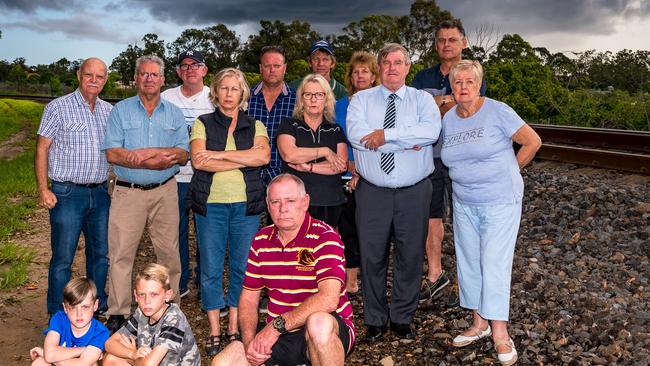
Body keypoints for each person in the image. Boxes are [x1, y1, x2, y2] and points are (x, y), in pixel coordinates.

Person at [441, 60, 541, 365]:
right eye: (458, 83)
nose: (463, 88)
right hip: (464, 202)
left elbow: (532, 141)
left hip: (500, 200)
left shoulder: (498, 110)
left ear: (479, 84)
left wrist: (510, 170)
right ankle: (479, 323)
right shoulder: (449, 119)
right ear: (451, 87)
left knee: (493, 262)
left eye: (470, 82)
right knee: (470, 260)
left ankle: (500, 332)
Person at [346, 43, 441, 341]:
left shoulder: (422, 100)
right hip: (373, 191)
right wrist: (406, 141)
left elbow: (430, 134)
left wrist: (386, 135)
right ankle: (374, 319)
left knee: (410, 255)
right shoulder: (361, 100)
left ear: (407, 67)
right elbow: (357, 137)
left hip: (414, 190)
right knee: (372, 256)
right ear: (379, 67)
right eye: (386, 62)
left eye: (398, 62)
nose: (392, 68)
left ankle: (402, 317)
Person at [211, 174, 355, 366]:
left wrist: (274, 329)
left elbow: (328, 299)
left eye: (290, 201)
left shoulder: (324, 237)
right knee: (223, 362)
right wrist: (249, 344)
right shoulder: (261, 241)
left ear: (305, 202)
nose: (283, 208)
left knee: (318, 324)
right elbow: (248, 298)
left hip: (326, 328)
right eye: (275, 202)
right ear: (268, 205)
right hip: (282, 331)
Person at [186, 67, 270, 356]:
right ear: (215, 92)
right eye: (224, 88)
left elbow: (263, 157)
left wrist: (219, 155)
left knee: (241, 267)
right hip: (211, 204)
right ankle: (214, 330)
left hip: (246, 205)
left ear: (242, 93)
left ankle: (234, 326)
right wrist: (243, 160)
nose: (229, 93)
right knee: (209, 268)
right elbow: (199, 161)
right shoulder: (202, 122)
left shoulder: (255, 124)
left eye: (235, 88)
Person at [103, 55, 189, 333]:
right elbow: (113, 153)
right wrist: (153, 158)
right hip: (128, 194)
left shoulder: (174, 113)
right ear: (136, 78)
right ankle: (118, 310)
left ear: (164, 79)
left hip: (165, 192)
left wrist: (144, 155)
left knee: (169, 253)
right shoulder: (120, 111)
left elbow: (182, 153)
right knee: (120, 254)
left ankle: (170, 306)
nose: (149, 79)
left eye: (154, 75)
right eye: (144, 74)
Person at [411, 19, 487, 303]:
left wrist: (438, 103)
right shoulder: (422, 78)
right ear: (435, 44)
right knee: (431, 218)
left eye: (452, 40)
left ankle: (474, 280)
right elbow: (419, 112)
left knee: (469, 218)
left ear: (463, 42)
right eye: (441, 40)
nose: (446, 45)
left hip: (465, 157)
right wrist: (450, 101)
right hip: (430, 157)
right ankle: (435, 275)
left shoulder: (473, 72)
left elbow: (473, 105)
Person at [35, 57, 112, 318]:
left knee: (100, 255)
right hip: (67, 193)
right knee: (62, 260)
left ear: (105, 80)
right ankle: (58, 315)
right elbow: (42, 148)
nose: (94, 80)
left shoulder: (108, 111)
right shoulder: (58, 107)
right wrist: (43, 189)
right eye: (89, 74)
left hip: (100, 193)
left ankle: (95, 308)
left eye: (99, 77)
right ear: (79, 75)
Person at [161, 49, 215, 298]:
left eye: (196, 65)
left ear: (204, 70)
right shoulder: (166, 98)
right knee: (176, 232)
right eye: (185, 65)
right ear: (178, 71)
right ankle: (180, 281)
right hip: (174, 176)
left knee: (207, 233)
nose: (190, 69)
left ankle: (206, 282)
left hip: (206, 176)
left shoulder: (214, 97)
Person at [334, 51, 380, 295]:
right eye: (356, 71)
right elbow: (333, 138)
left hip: (370, 175)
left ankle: (370, 279)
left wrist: (359, 170)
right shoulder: (338, 105)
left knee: (369, 230)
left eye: (365, 71)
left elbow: (379, 140)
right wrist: (347, 165)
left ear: (374, 76)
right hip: (340, 174)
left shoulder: (381, 104)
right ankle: (349, 281)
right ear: (350, 76)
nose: (360, 75)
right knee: (346, 227)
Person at [277, 74, 347, 226]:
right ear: (301, 99)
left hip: (330, 201)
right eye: (308, 94)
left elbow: (341, 166)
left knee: (324, 248)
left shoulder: (335, 130)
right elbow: (289, 154)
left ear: (326, 98)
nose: (313, 99)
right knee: (297, 249)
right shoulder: (289, 125)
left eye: (319, 94)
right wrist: (326, 152)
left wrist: (309, 167)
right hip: (295, 202)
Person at [103, 263, 200, 366]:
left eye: (154, 294)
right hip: (147, 362)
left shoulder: (174, 319)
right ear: (136, 296)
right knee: (110, 358)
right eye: (142, 295)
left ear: (167, 295)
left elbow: (149, 364)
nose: (147, 301)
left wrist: (133, 358)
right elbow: (109, 343)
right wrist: (132, 353)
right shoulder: (142, 312)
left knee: (116, 357)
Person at [30, 278, 110, 366]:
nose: (79, 314)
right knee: (39, 363)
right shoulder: (60, 319)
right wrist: (83, 350)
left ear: (95, 305)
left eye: (85, 307)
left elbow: (81, 364)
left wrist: (47, 355)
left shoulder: (100, 332)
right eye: (73, 307)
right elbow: (49, 355)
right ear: (65, 308)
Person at [248, 46, 297, 185]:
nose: (272, 70)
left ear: (285, 68)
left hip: (286, 176)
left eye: (277, 65)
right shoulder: (245, 98)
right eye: (267, 65)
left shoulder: (298, 100)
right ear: (260, 68)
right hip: (250, 176)